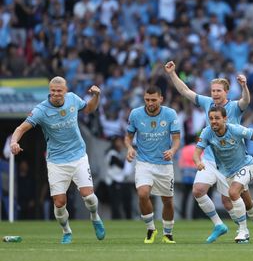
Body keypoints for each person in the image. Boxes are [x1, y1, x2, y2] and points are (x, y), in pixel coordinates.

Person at [164, 61, 253, 243]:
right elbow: (185, 92)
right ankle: (224, 226)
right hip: (212, 159)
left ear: (226, 92)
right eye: (213, 90)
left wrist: (244, 86)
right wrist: (172, 74)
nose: (215, 94)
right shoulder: (207, 104)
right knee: (198, 190)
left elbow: (246, 101)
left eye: (219, 90)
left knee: (236, 200)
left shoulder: (235, 106)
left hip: (236, 160)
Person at [9, 76, 105, 244]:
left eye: (59, 90)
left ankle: (95, 217)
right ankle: (66, 231)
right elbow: (21, 128)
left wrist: (96, 96)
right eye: (53, 90)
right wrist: (14, 141)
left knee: (88, 197)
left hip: (78, 156)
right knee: (59, 203)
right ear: (49, 91)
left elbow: (89, 108)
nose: (56, 94)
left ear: (65, 91)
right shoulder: (41, 110)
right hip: (56, 161)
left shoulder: (73, 99)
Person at [193, 107, 253, 243]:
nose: (213, 121)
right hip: (227, 172)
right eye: (211, 118)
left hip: (246, 166)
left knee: (233, 193)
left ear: (225, 119)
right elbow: (197, 152)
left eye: (217, 118)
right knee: (247, 202)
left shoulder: (235, 129)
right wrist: (198, 161)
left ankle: (243, 230)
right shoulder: (207, 132)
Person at [125, 85, 180, 244]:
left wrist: (173, 150)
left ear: (161, 99)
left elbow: (176, 139)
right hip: (144, 162)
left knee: (168, 201)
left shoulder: (170, 114)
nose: (150, 103)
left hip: (164, 163)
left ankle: (167, 233)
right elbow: (128, 137)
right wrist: (129, 148)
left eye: (153, 100)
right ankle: (150, 229)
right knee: (142, 194)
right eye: (147, 100)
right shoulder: (135, 114)